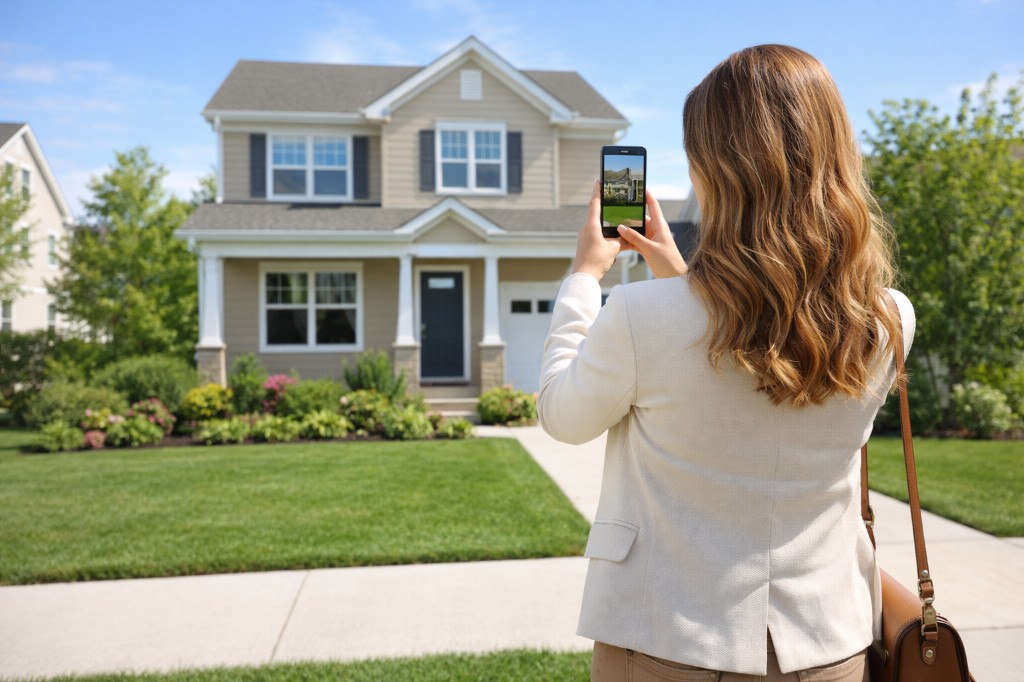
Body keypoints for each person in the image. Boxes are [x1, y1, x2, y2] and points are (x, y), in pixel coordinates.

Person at [538, 44, 914, 682]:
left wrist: (583, 277)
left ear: (712, 169)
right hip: (828, 647)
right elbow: (750, 342)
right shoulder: (888, 318)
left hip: (666, 643)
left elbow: (562, 415)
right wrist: (676, 272)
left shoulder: (637, 316)